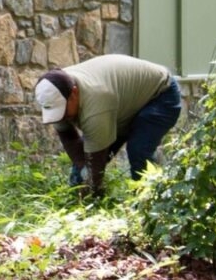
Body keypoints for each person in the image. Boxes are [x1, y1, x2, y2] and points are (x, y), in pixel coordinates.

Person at [34, 54, 183, 197]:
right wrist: (82, 172)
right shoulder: (55, 89)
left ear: (73, 94)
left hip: (161, 94)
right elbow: (71, 141)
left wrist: (92, 192)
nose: (62, 117)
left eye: (63, 110)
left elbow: (95, 165)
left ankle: (150, 202)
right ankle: (77, 204)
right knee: (82, 171)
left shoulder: (96, 105)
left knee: (139, 151)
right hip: (122, 103)